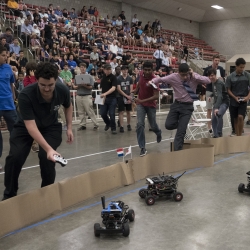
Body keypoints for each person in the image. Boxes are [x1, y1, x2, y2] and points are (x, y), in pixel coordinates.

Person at [2, 62, 73, 200]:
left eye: (50, 85)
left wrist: (69, 127)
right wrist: (48, 148)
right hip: (25, 127)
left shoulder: (62, 90)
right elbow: (31, 126)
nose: (47, 89)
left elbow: (68, 106)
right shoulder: (25, 95)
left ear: (55, 81)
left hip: (51, 126)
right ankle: (9, 194)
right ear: (36, 80)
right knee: (15, 157)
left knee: (47, 158)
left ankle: (47, 192)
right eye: (43, 85)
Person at [150, 63, 210, 151]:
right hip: (176, 105)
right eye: (183, 75)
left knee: (180, 133)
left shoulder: (194, 77)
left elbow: (208, 80)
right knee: (168, 125)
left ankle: (177, 152)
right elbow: (161, 79)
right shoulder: (173, 77)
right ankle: (182, 125)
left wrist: (194, 75)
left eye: (186, 74)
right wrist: (152, 81)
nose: (185, 77)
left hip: (187, 107)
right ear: (178, 72)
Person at [133, 62, 162, 157]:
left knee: (153, 125)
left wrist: (142, 100)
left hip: (150, 105)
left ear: (152, 70)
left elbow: (156, 96)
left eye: (149, 70)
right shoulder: (141, 74)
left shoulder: (154, 80)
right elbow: (139, 82)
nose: (147, 72)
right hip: (141, 105)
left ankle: (158, 132)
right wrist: (136, 90)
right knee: (140, 124)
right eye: (145, 69)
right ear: (143, 70)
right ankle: (142, 147)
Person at [0, 46, 17, 170]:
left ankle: (16, 156)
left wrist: (13, 96)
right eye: (3, 55)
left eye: (6, 55)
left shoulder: (8, 68)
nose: (6, 57)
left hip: (8, 104)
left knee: (16, 131)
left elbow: (11, 83)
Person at [226, 58, 250, 136]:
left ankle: (240, 136)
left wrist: (247, 97)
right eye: (240, 67)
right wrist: (234, 97)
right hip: (233, 100)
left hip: (244, 99)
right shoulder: (230, 77)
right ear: (236, 66)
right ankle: (237, 134)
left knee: (240, 117)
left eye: (243, 67)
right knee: (235, 118)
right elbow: (228, 90)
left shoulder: (247, 75)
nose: (242, 69)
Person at [203, 54, 225, 136]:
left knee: (217, 109)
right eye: (216, 60)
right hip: (209, 90)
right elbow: (203, 79)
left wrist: (221, 79)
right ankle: (209, 127)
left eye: (218, 61)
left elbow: (223, 79)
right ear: (212, 60)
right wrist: (211, 79)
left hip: (218, 90)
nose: (217, 62)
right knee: (209, 109)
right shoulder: (207, 69)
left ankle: (218, 127)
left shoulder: (221, 69)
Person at [73, 63, 99, 130]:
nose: (82, 68)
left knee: (90, 111)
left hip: (87, 95)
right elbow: (74, 86)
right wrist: (79, 86)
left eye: (84, 67)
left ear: (86, 68)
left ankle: (95, 124)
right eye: (81, 67)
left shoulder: (89, 76)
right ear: (80, 68)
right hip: (79, 95)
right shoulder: (77, 76)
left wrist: (84, 85)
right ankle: (82, 125)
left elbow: (91, 87)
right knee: (80, 111)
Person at [207, 68, 229, 138]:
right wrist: (210, 96)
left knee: (218, 114)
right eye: (209, 76)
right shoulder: (213, 82)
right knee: (213, 118)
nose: (211, 77)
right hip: (217, 102)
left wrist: (216, 107)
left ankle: (219, 133)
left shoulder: (219, 82)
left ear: (215, 75)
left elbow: (220, 95)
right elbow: (215, 92)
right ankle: (215, 134)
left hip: (224, 101)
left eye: (212, 75)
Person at [100, 64, 117, 134]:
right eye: (107, 69)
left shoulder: (113, 77)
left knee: (112, 113)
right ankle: (108, 123)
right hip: (104, 98)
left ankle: (113, 128)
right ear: (104, 70)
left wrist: (105, 94)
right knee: (102, 113)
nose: (109, 70)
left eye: (110, 69)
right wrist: (100, 95)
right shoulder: (103, 77)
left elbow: (113, 88)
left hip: (112, 98)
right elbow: (101, 88)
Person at [117, 65, 133, 133]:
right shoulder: (118, 78)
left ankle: (128, 124)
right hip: (121, 96)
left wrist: (130, 96)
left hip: (128, 96)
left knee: (128, 111)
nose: (125, 71)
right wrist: (126, 95)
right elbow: (119, 89)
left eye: (126, 69)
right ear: (121, 70)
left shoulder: (130, 78)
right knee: (121, 111)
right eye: (123, 69)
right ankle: (121, 126)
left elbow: (131, 88)